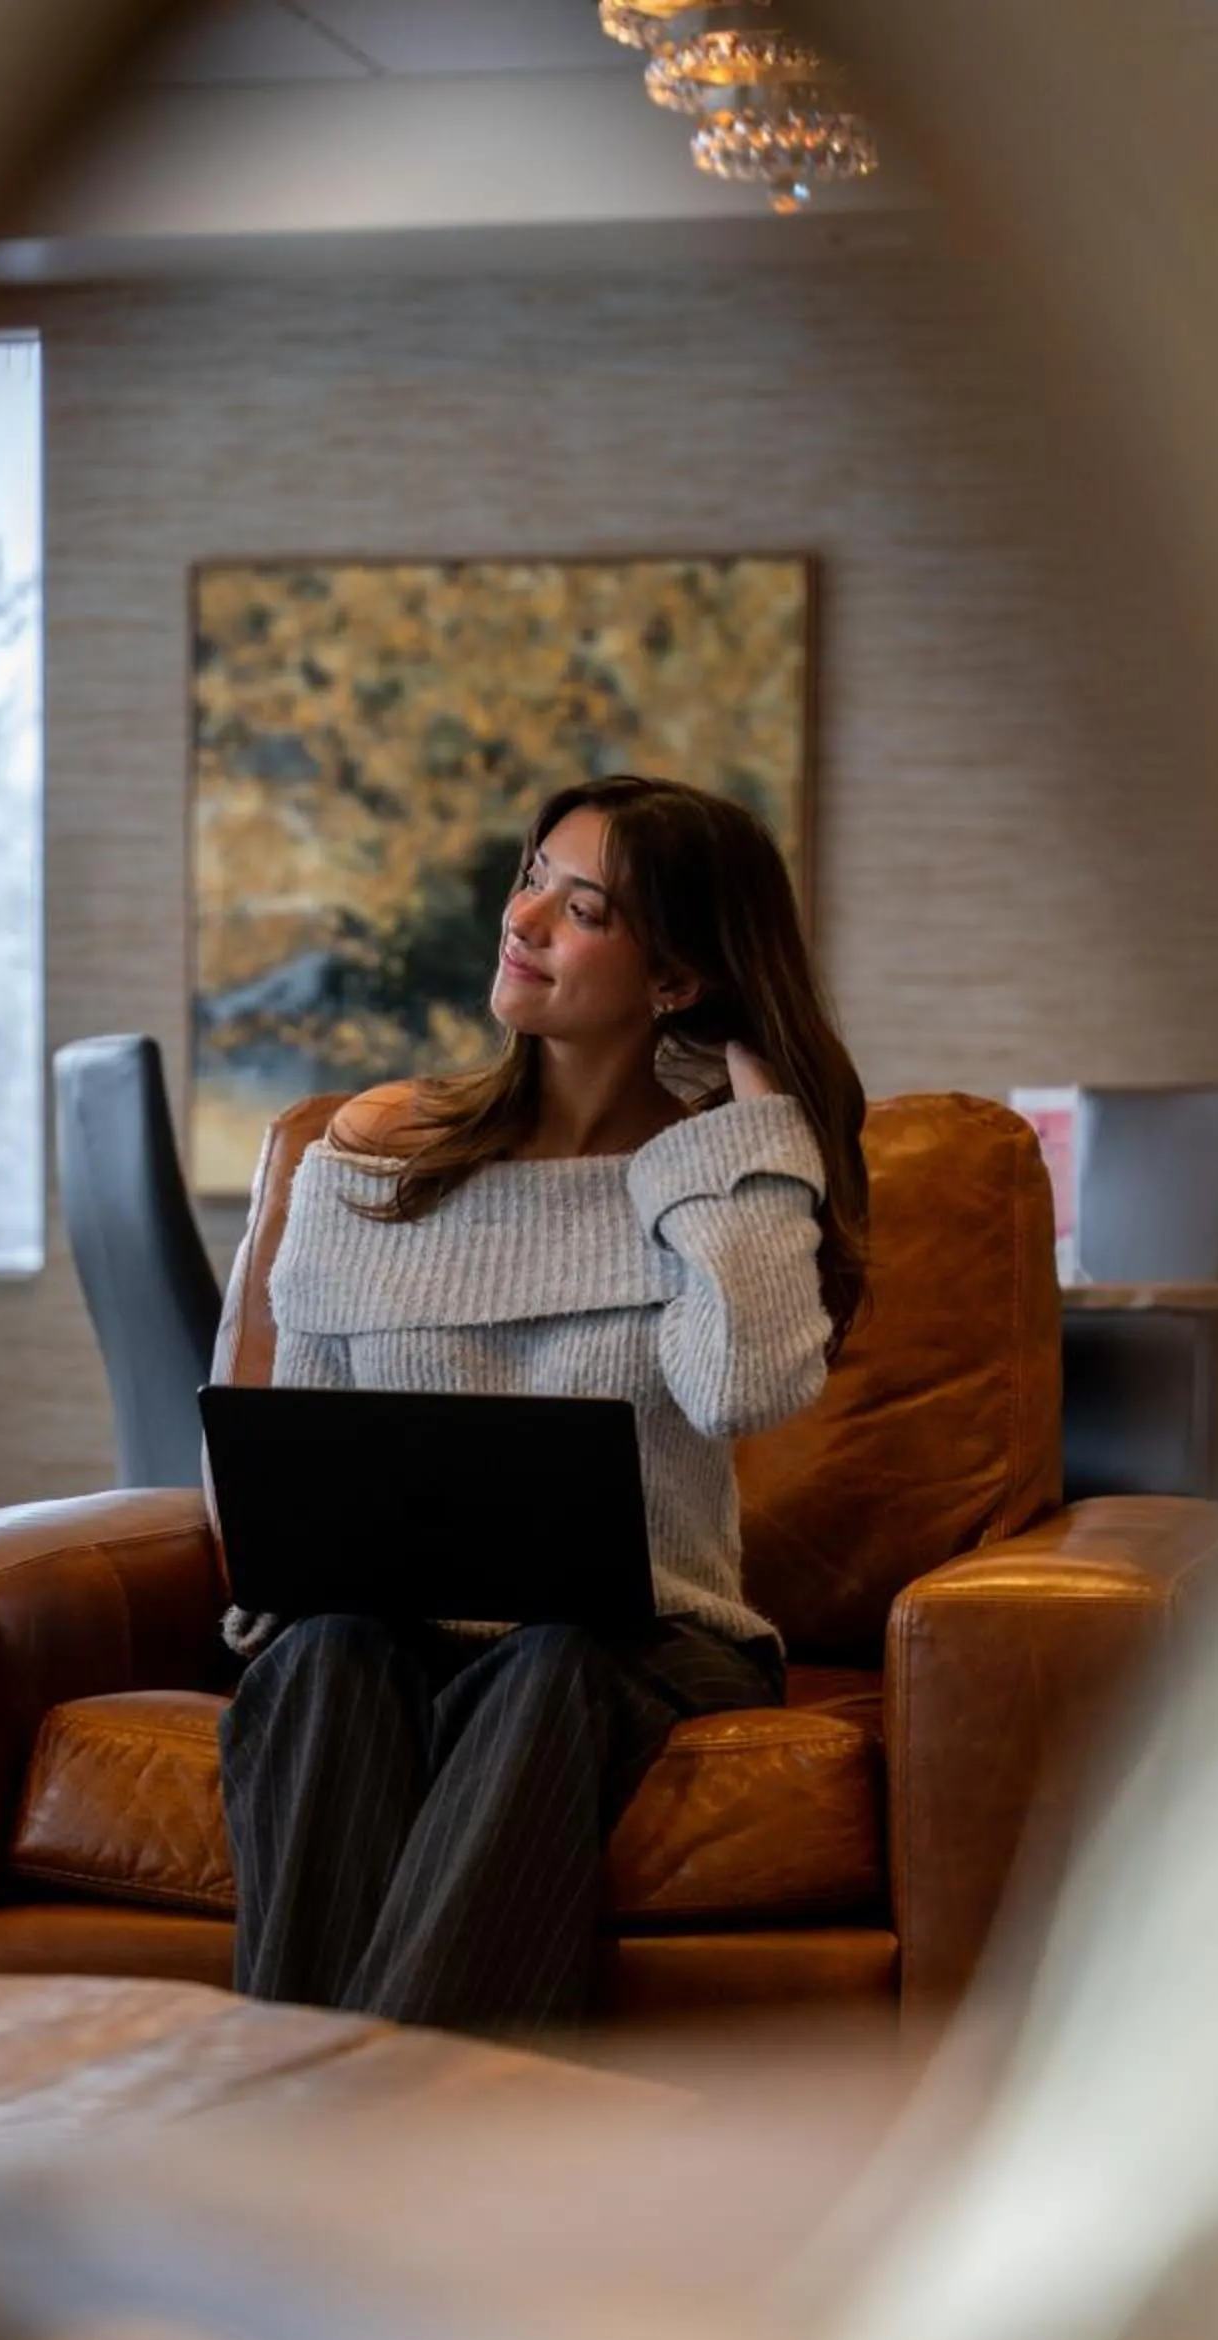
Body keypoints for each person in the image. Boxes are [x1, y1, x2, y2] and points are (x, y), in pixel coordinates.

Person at [209, 772, 869, 2038]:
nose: (523, 920)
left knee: (554, 1656)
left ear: (674, 978)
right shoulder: (374, 1162)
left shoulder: (715, 1178)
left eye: (584, 908)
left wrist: (741, 1139)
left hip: (647, 1644)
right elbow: (305, 1448)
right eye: (530, 880)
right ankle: (297, 2096)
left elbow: (739, 1386)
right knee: (326, 1651)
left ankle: (383, 2113)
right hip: (389, 1629)